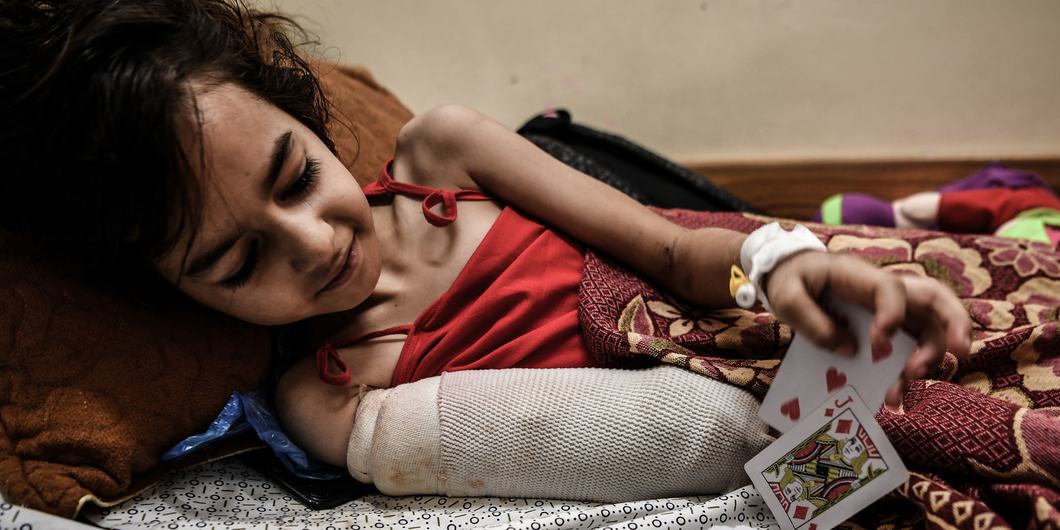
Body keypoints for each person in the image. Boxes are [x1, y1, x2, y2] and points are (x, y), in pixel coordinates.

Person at [0, 0, 970, 487]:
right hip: (755, 427)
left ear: (303, 113)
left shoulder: (447, 151)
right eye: (237, 261)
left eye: (297, 176)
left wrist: (787, 263)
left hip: (762, 310)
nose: (310, 241)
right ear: (183, 296)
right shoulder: (329, 395)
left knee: (1008, 300)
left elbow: (668, 247)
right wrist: (821, 464)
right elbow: (671, 448)